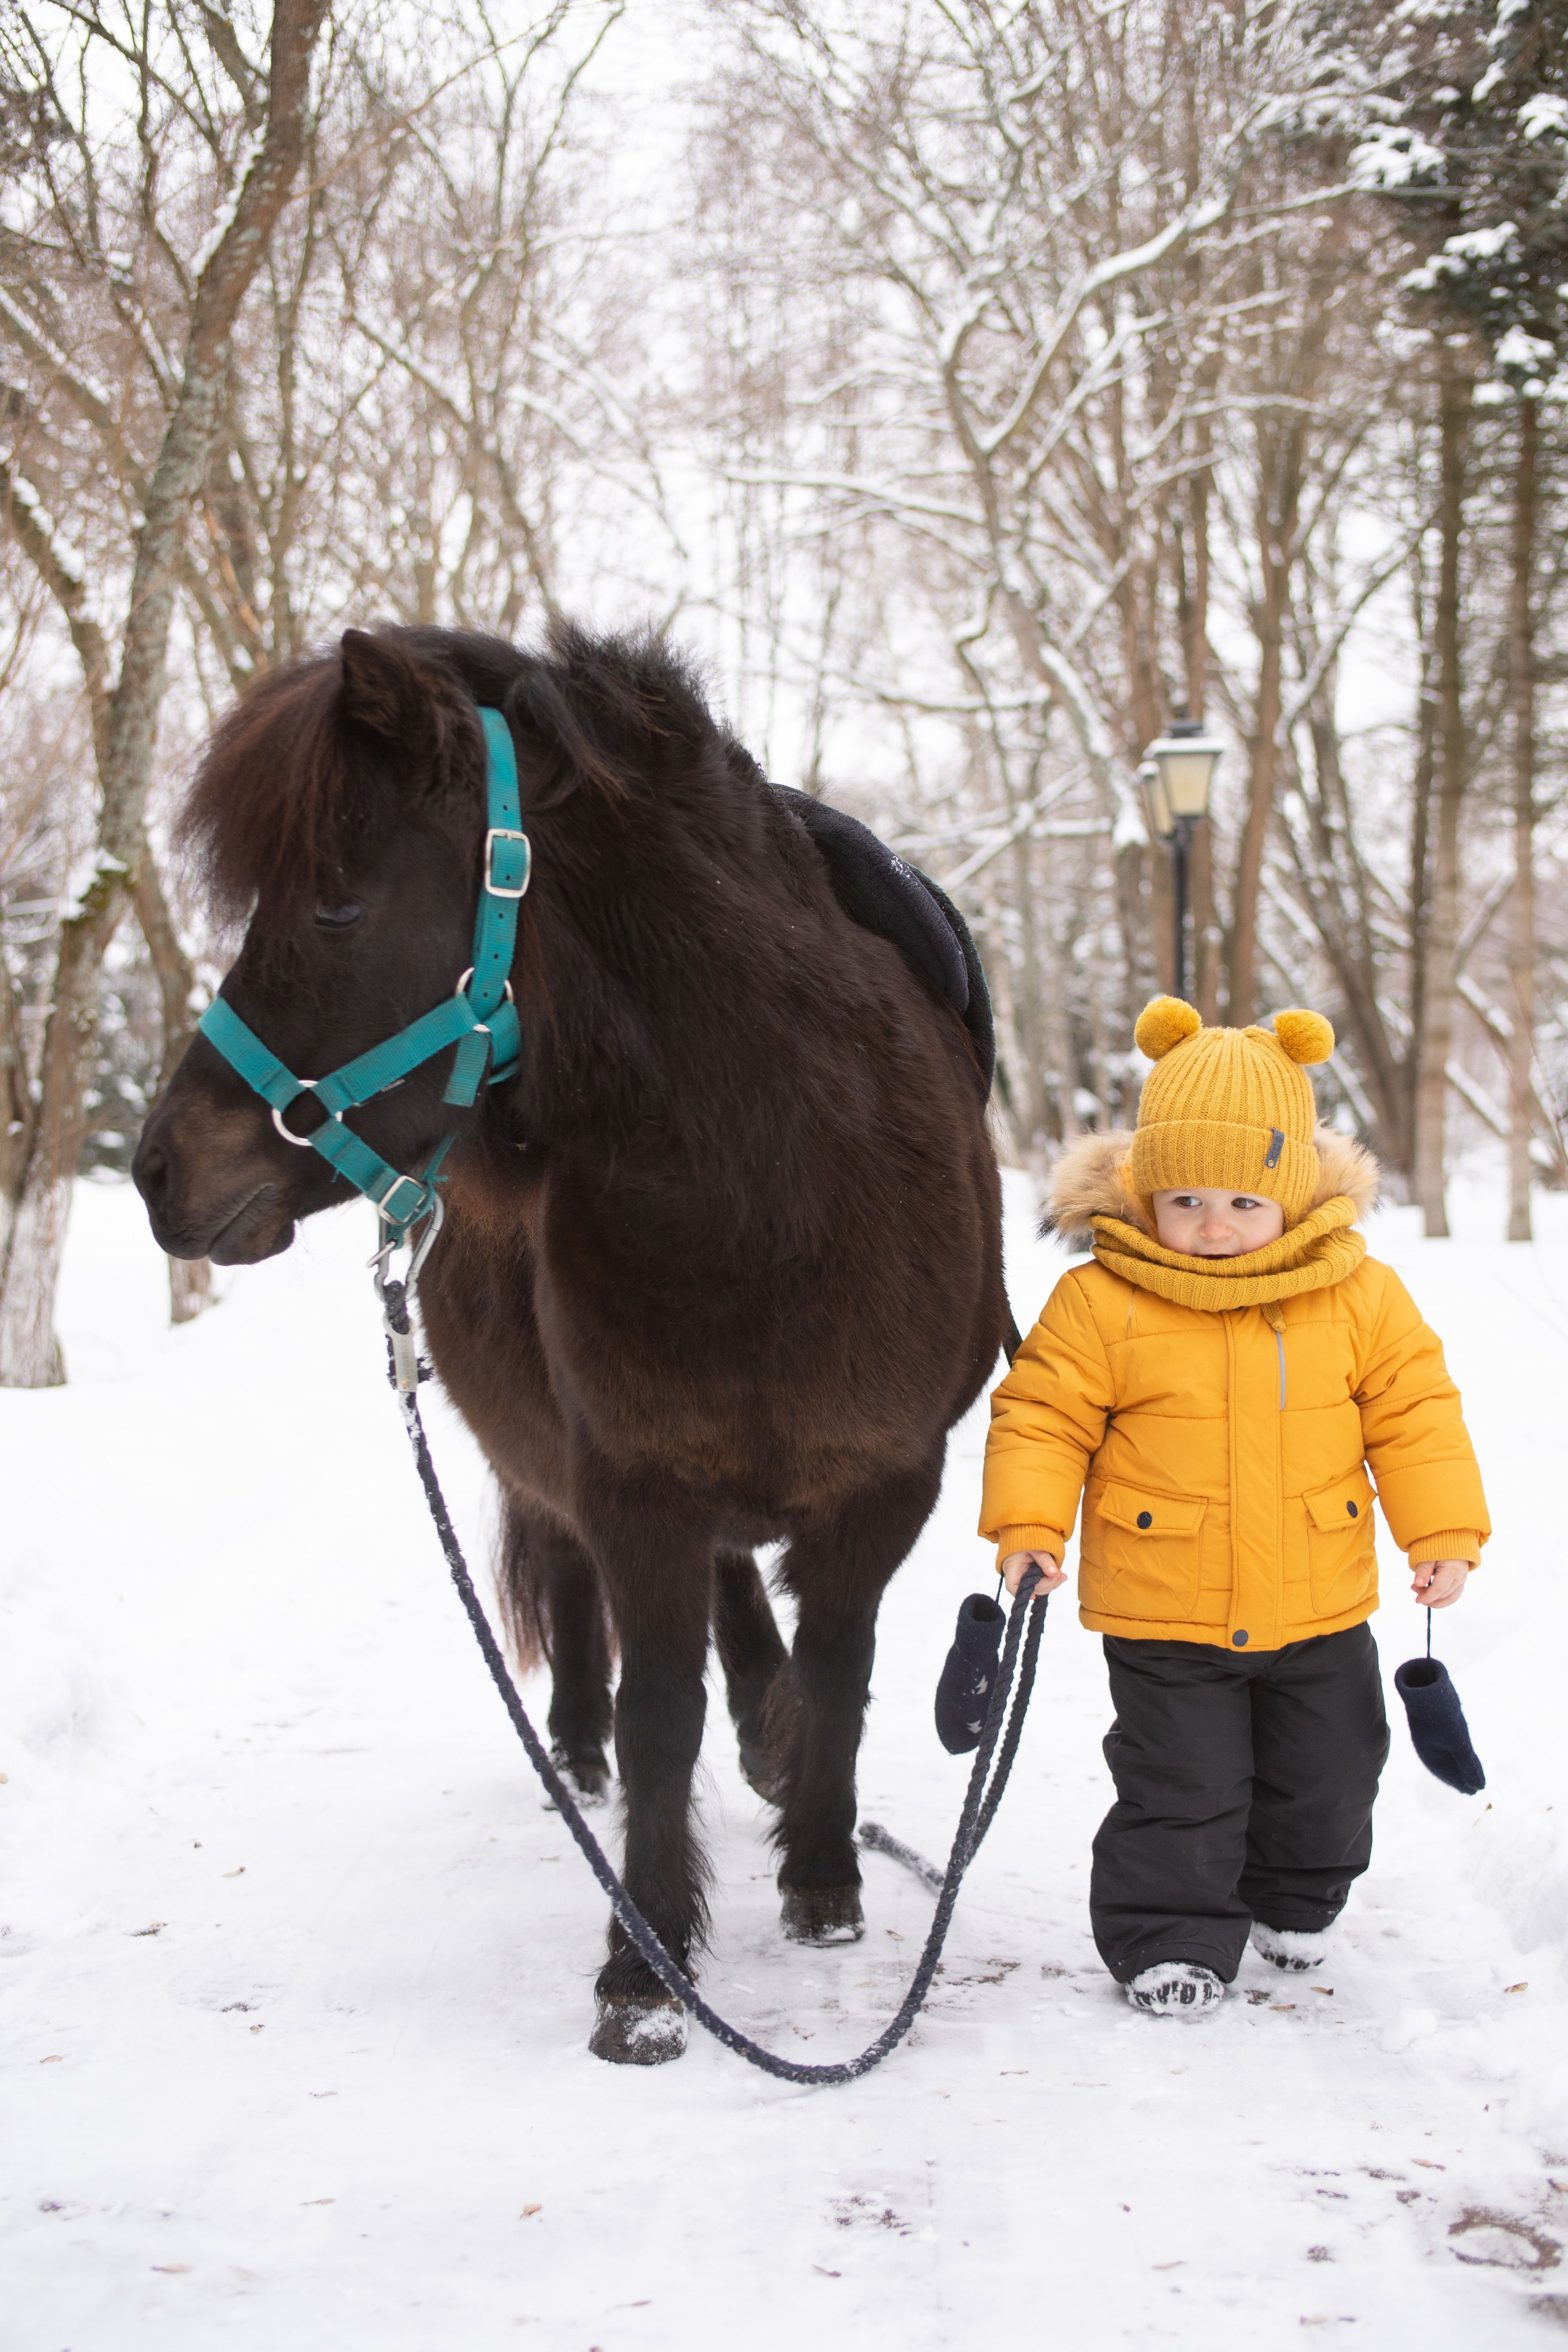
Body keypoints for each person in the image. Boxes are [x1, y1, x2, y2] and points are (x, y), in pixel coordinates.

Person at [979, 997, 1489, 2016]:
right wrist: (1029, 1527)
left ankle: (1294, 1900)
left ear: (1293, 1199)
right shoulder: (1100, 1302)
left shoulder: (1359, 1295)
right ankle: (1171, 1937)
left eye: (1246, 1203)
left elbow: (1417, 1415)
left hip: (1320, 1602)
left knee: (1332, 1775)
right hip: (1166, 1610)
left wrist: (1441, 1534)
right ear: (1146, 1196)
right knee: (1183, 1785)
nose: (1215, 1226)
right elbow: (1041, 1416)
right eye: (1188, 1200)